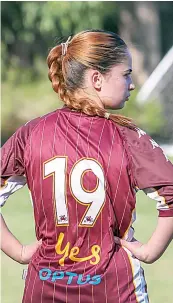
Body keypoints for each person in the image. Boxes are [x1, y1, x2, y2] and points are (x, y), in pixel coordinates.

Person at [1, 29, 173, 303]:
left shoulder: (32, 134)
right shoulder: (127, 137)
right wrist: (152, 250)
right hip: (115, 289)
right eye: (126, 74)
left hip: (43, 289)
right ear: (96, 78)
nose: (131, 84)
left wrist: (19, 252)